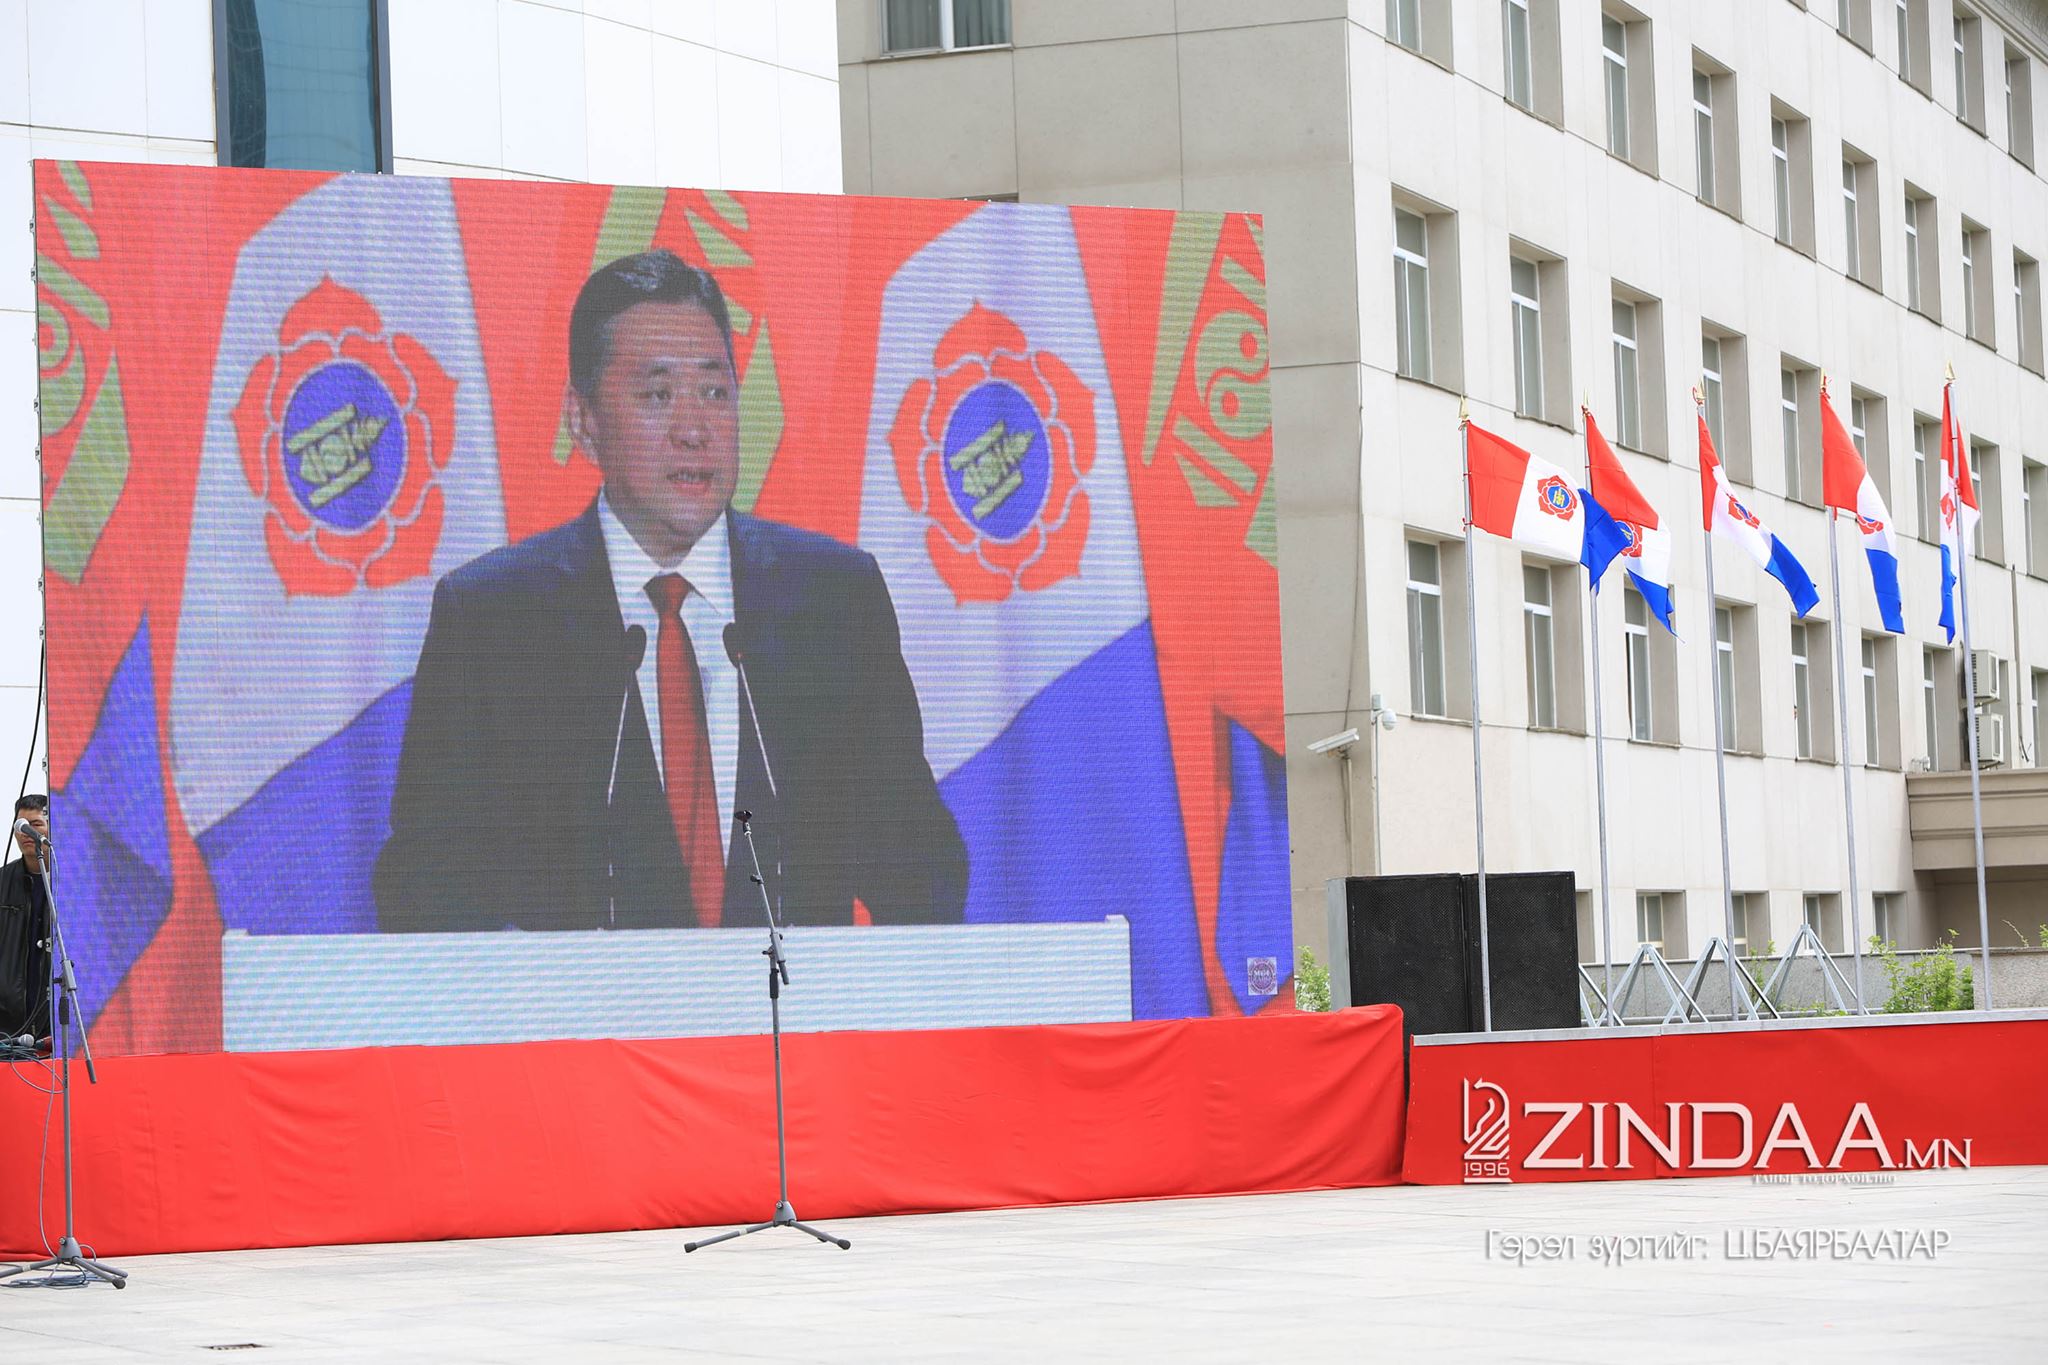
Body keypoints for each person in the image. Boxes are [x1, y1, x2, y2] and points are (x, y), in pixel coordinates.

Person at [375, 250, 968, 932]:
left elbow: (924, 876)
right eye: (658, 396)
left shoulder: (832, 603)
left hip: (786, 1000)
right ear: (584, 420)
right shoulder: (496, 622)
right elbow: (424, 899)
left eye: (715, 393)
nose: (694, 430)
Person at [1, 794, 51, 1040]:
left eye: (35, 824)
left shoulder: (75, 883)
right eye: (20, 825)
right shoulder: (2, 882)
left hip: (56, 1023)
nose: (25, 832)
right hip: (7, 1023)